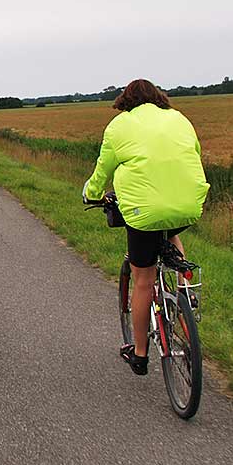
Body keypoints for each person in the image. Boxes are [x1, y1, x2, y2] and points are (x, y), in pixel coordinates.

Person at [82, 79, 209, 376]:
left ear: (125, 101)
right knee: (171, 230)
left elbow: (103, 171)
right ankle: (183, 288)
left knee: (142, 281)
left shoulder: (119, 126)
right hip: (188, 205)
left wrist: (91, 193)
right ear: (158, 98)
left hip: (143, 213)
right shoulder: (179, 119)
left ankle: (139, 355)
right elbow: (193, 155)